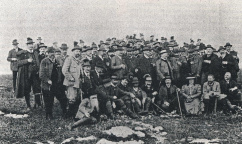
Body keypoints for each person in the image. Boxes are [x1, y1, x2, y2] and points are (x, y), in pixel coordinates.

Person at [16, 38, 40, 112]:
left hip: (35, 75)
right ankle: (28, 106)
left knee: (37, 89)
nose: (31, 46)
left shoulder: (36, 53)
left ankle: (37, 104)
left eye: (32, 44)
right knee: (27, 90)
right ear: (27, 45)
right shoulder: (22, 53)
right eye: (29, 44)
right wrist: (27, 61)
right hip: (26, 75)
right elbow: (17, 63)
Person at [62, 45, 83, 117]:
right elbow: (64, 70)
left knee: (77, 98)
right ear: (73, 52)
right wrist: (70, 78)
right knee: (71, 98)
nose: (78, 53)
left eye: (79, 51)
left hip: (78, 83)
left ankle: (74, 113)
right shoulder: (69, 59)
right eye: (76, 51)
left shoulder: (79, 60)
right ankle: (68, 114)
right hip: (71, 83)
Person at [39, 47, 60, 119]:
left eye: (53, 52)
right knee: (48, 100)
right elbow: (41, 74)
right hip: (47, 85)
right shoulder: (44, 61)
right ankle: (48, 114)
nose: (52, 54)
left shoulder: (56, 61)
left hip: (55, 83)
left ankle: (63, 112)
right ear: (47, 53)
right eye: (50, 52)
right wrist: (47, 80)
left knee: (53, 99)